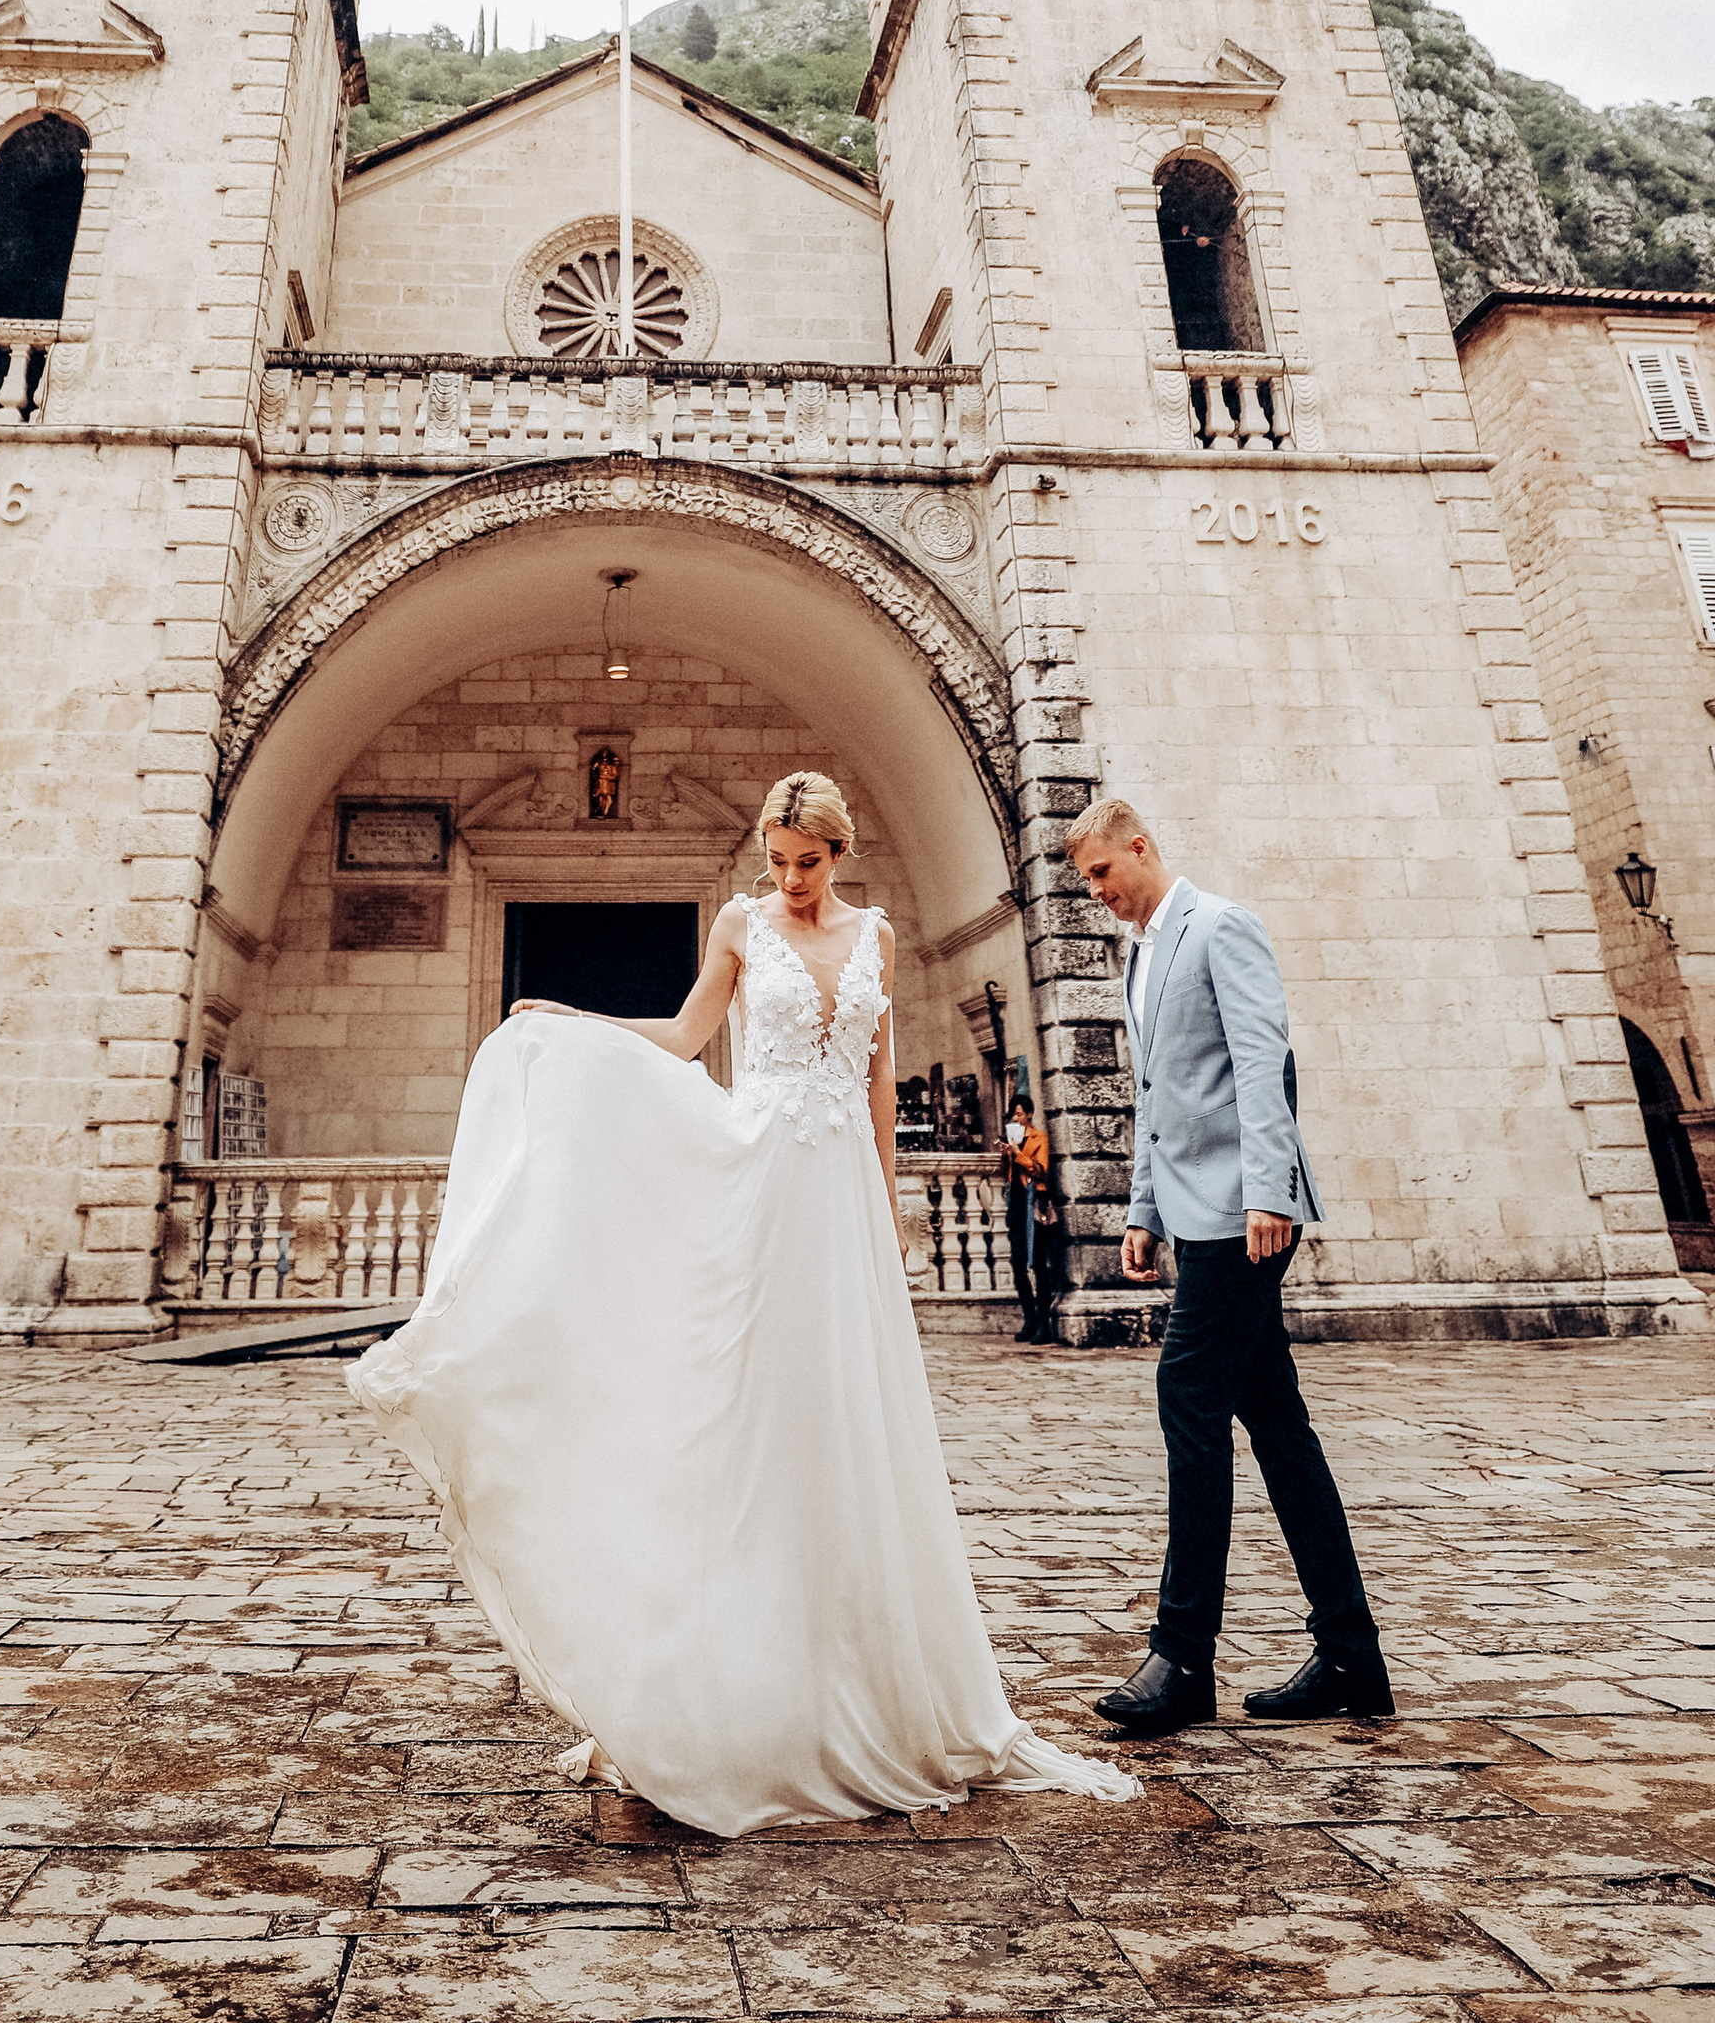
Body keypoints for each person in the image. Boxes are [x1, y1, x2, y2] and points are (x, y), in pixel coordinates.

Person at [347, 767, 1137, 1833]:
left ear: (836, 855)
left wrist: (884, 1213)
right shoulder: (738, 922)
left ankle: (866, 1678)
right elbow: (683, 1040)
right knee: (741, 1415)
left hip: (839, 1203)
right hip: (757, 1177)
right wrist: (572, 1021)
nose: (791, 881)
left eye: (807, 864)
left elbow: (873, 1086)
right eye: (776, 861)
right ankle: (725, 1683)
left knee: (844, 1425)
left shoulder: (877, 938)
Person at [1066, 794, 1392, 1738]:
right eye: (1086, 882)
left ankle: (1182, 1658)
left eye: (1102, 874)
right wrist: (1140, 1208)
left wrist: (1271, 1188)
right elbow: (1157, 1095)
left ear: (1141, 846)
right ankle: (1350, 1655)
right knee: (1279, 1426)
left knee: (1188, 1399)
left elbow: (1262, 1062)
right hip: (1194, 1210)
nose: (1098, 895)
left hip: (1244, 1213)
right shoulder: (1140, 956)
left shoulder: (1221, 928)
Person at [1003, 1079, 1060, 1345]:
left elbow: (1040, 1170)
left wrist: (1018, 1154)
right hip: (1017, 1205)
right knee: (1017, 1263)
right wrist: (1007, 1153)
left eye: (1019, 1113)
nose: (1016, 1118)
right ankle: (1029, 1318)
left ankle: (1043, 1322)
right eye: (1013, 1114)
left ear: (1028, 1114)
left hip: (1034, 1204)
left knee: (1038, 1263)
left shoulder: (1039, 1138)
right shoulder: (1013, 1137)